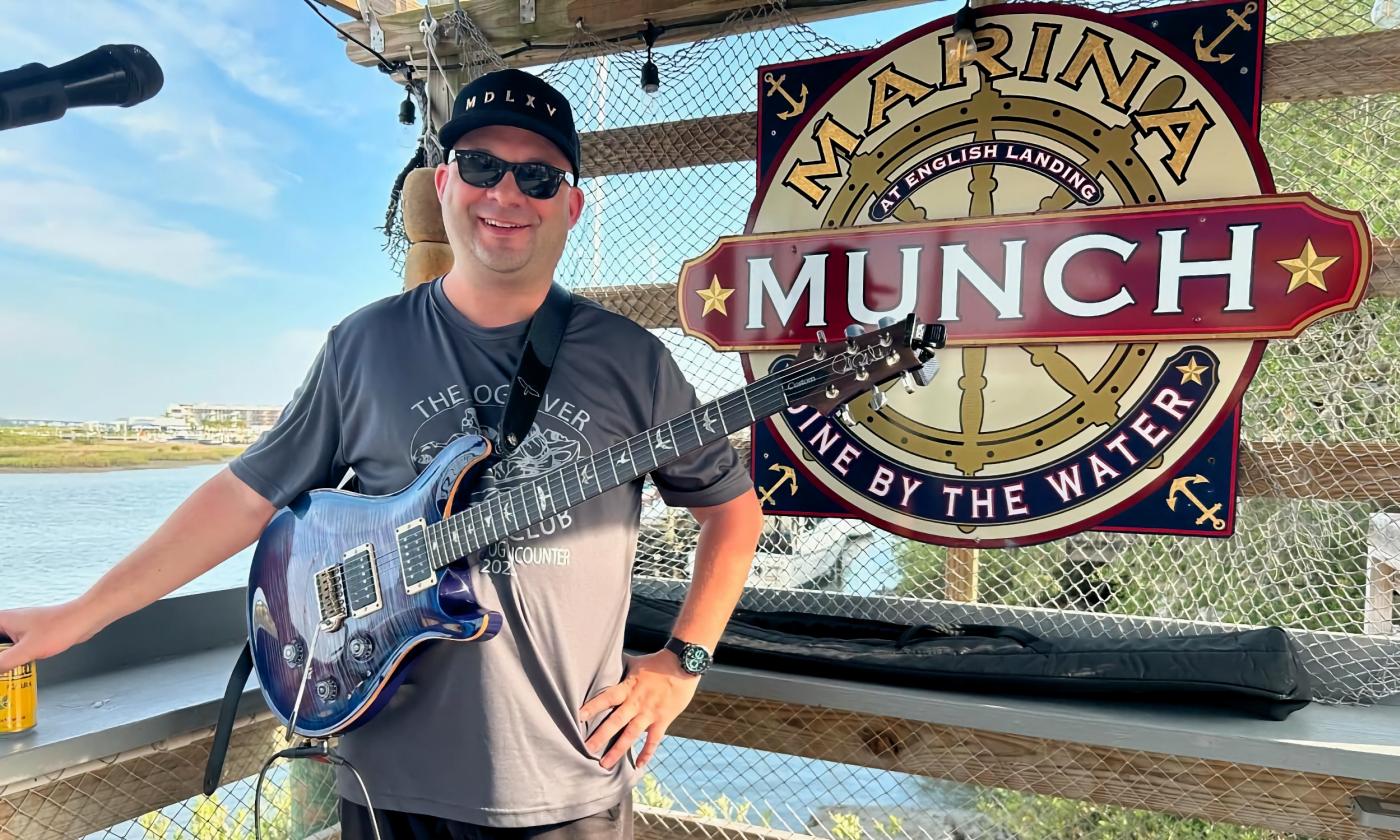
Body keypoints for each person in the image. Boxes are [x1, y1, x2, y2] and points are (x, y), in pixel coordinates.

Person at [0, 68, 763, 839]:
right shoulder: (363, 346)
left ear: (570, 205)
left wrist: (681, 665)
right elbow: (246, 495)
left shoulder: (633, 362)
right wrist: (79, 615)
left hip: (567, 780)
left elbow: (732, 514)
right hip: (384, 778)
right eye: (481, 167)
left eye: (537, 177)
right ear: (443, 184)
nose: (506, 195)